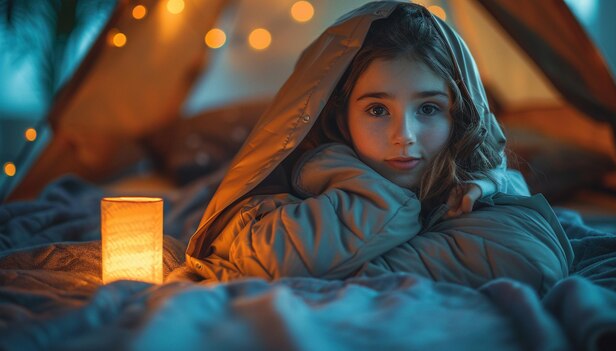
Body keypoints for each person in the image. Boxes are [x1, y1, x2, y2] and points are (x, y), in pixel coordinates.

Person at [185, 1, 573, 294]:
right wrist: (355, 182)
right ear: (340, 117)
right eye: (377, 109)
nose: (403, 135)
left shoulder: (477, 188)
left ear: (460, 116)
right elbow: (269, 252)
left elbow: (532, 258)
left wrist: (488, 180)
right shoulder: (293, 188)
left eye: (428, 108)